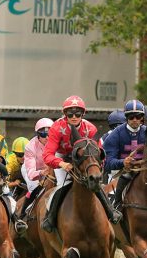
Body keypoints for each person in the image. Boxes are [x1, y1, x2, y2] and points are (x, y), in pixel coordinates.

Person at [41, 95, 122, 233]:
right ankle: (51, 218)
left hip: (82, 159)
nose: (74, 116)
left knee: (94, 183)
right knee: (63, 184)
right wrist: (62, 164)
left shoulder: (90, 129)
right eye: (69, 113)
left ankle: (110, 212)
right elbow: (47, 155)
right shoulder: (56, 128)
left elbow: (97, 152)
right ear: (64, 114)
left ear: (83, 114)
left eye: (77, 113)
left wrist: (97, 166)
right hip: (64, 157)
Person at [103, 99, 147, 209]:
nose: (135, 120)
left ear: (142, 117)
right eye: (131, 117)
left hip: (144, 172)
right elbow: (107, 163)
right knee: (111, 203)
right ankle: (114, 210)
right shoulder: (115, 135)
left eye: (138, 116)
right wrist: (123, 162)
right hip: (119, 173)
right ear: (126, 117)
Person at [14, 118, 54, 233]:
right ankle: (21, 215)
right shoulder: (30, 147)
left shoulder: (57, 142)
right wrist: (41, 173)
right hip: (32, 171)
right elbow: (31, 174)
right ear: (38, 135)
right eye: (43, 134)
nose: (47, 137)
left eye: (49, 134)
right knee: (34, 188)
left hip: (51, 170)